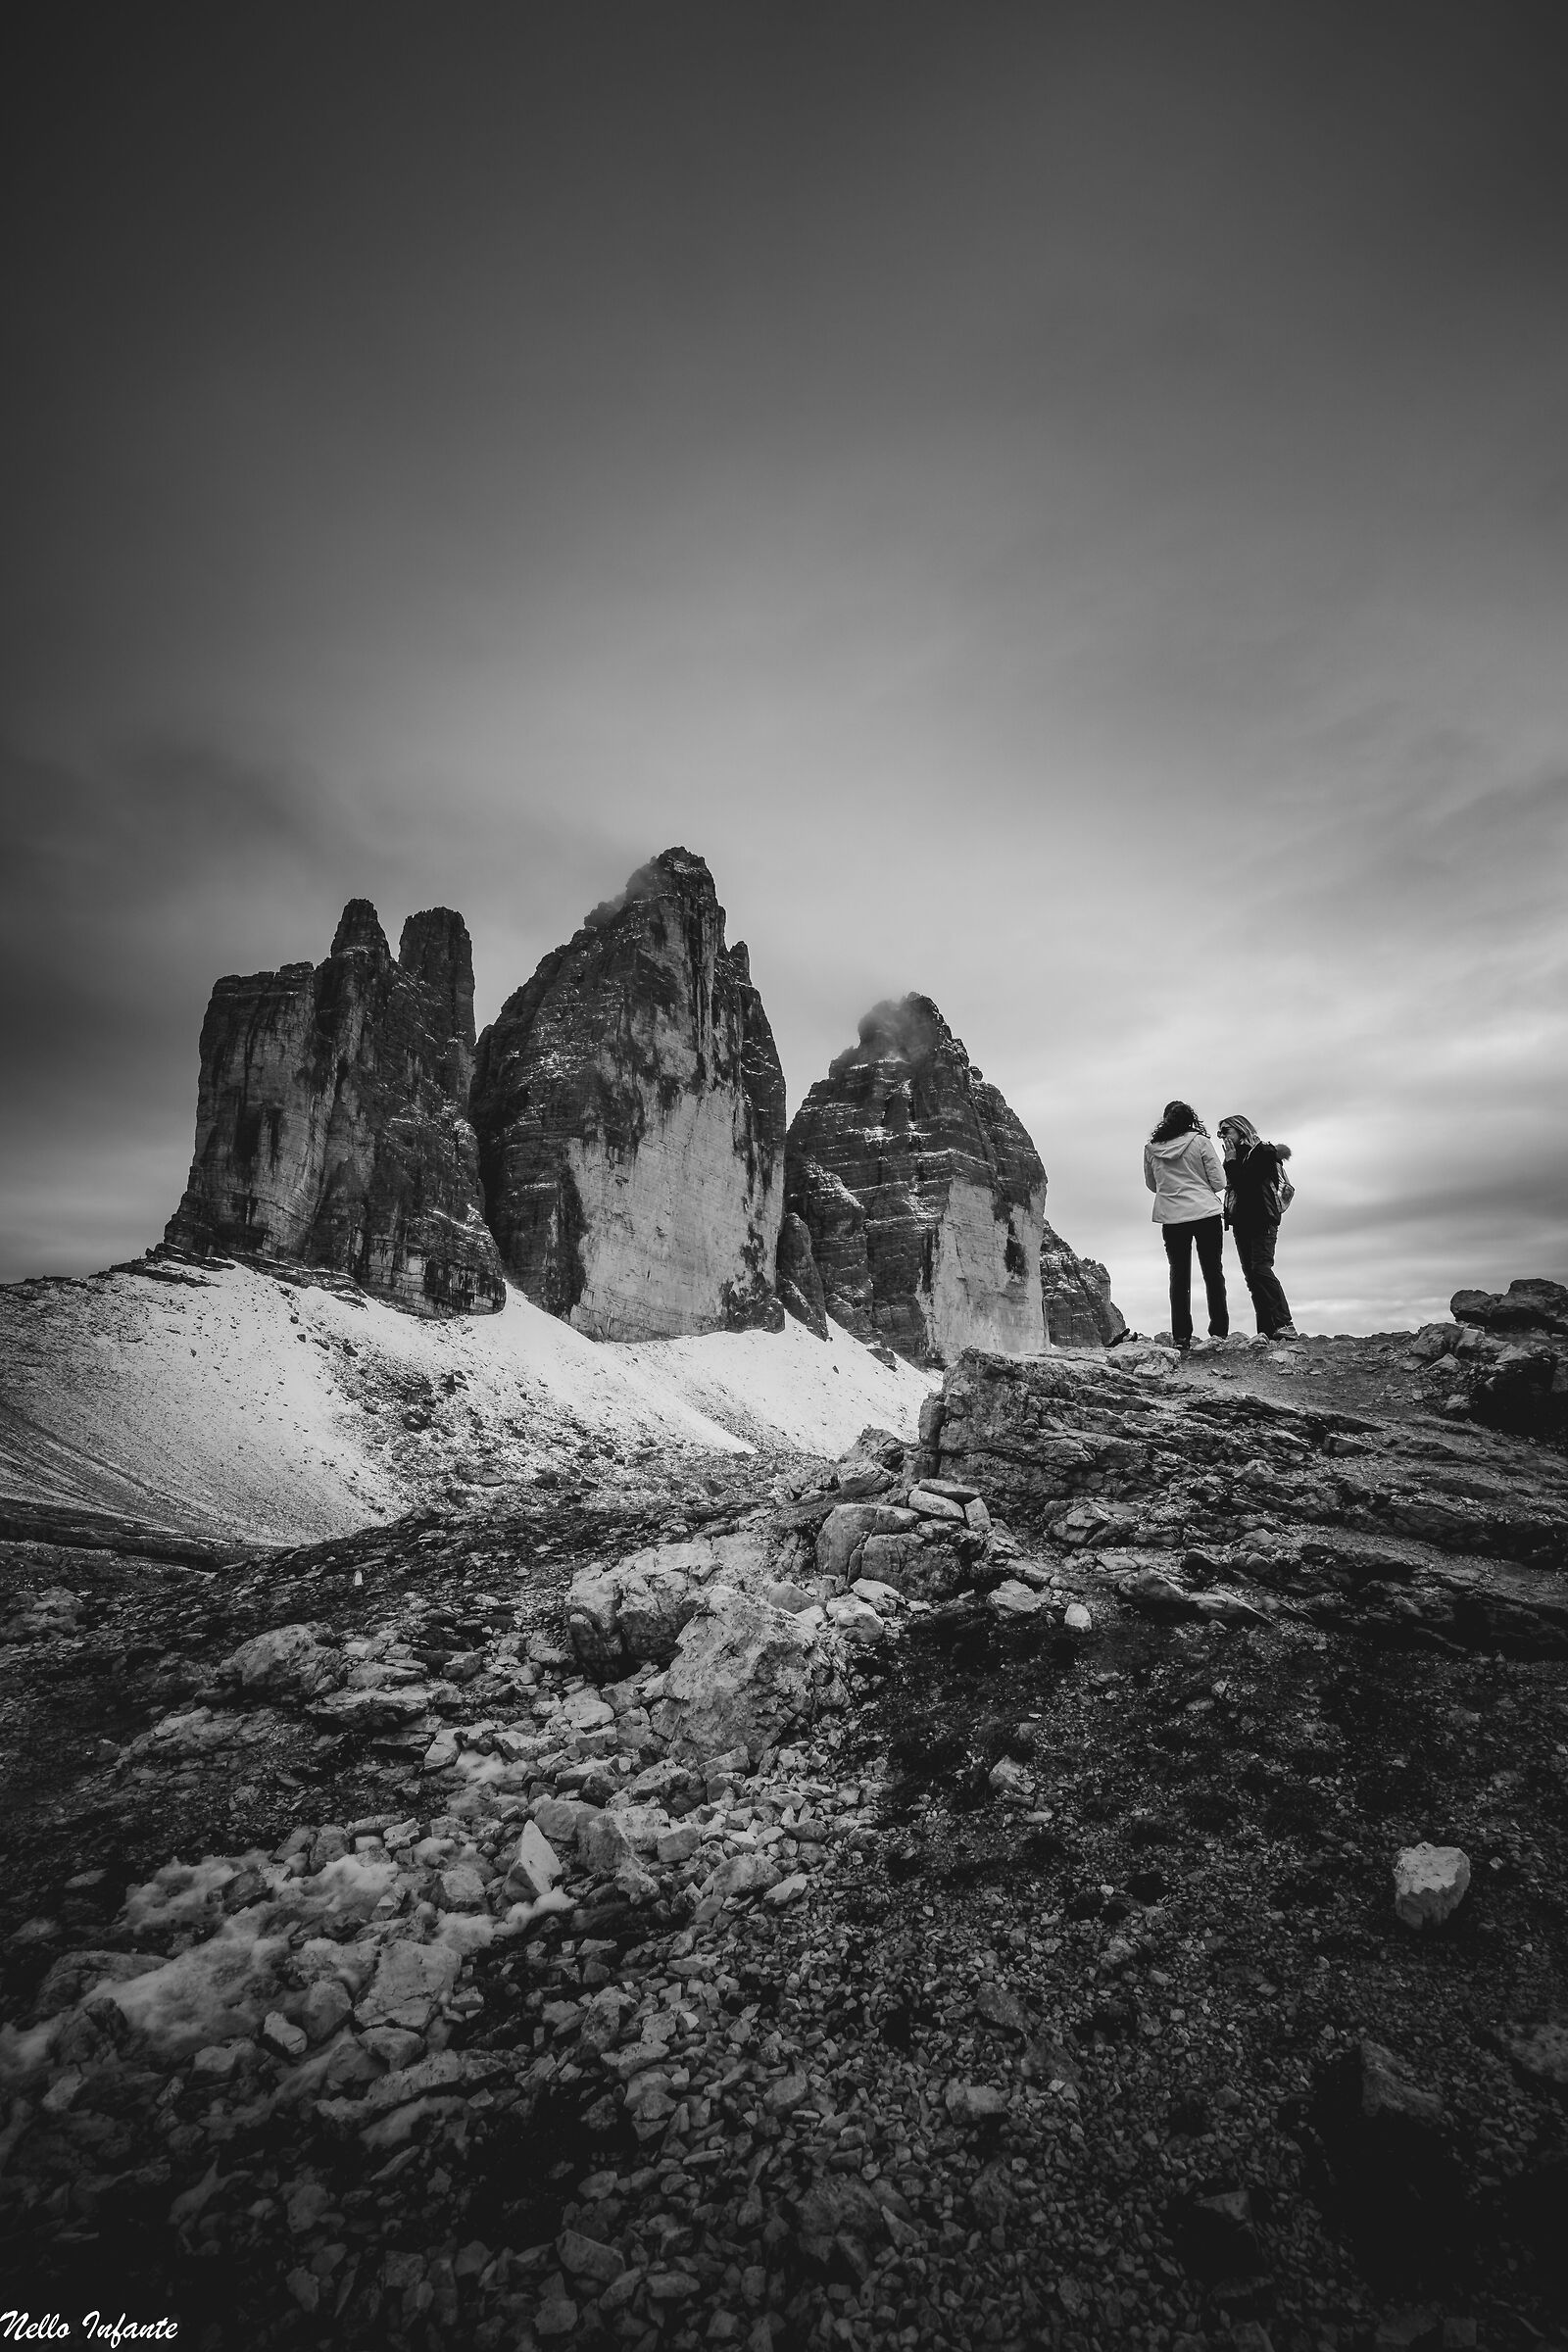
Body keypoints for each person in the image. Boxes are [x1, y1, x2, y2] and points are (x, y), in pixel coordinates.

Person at [1144, 1101, 1229, 1354]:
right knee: (1213, 1272)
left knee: (1179, 1276)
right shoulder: (1200, 1142)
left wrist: (1173, 1189)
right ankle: (1219, 1332)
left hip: (1172, 1217)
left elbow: (1152, 1184)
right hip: (1205, 1213)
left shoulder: (1151, 1148)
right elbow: (1219, 1181)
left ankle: (1181, 1336)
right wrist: (1198, 1186)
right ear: (1190, 1119)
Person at [1216, 1112, 1299, 1341]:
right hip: (1241, 1221)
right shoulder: (1234, 1156)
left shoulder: (1262, 1152)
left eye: (1226, 1131)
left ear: (1241, 1130)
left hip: (1263, 1219)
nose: (1222, 1136)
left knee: (1261, 1269)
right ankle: (1266, 1330)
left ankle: (1285, 1323)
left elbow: (1245, 1184)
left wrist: (1231, 1160)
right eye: (1220, 1132)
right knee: (1252, 1276)